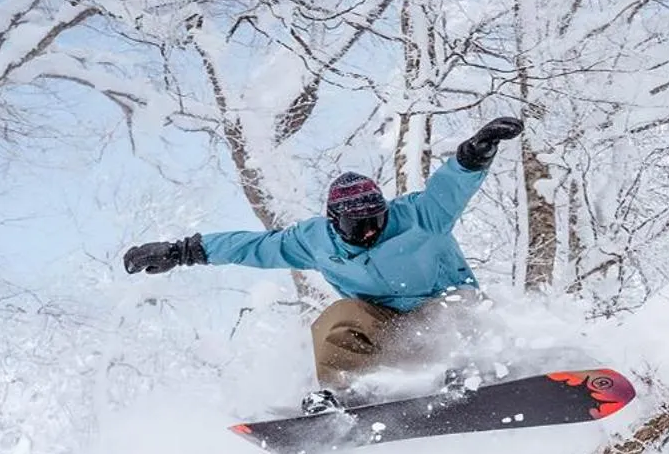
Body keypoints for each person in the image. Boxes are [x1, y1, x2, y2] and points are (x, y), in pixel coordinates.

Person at [123, 116, 524, 414]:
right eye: (357, 226)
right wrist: (183, 251)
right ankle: (346, 395)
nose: (369, 233)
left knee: (454, 308)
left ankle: (474, 371)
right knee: (337, 316)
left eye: (375, 222)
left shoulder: (422, 215)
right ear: (335, 222)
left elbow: (452, 184)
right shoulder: (313, 241)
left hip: (446, 313)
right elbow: (254, 247)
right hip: (388, 328)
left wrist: (476, 151)